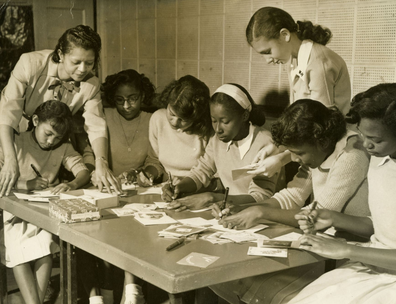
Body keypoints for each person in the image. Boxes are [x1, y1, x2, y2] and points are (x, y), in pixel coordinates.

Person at [208, 99, 370, 304]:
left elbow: (320, 214)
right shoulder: (319, 150)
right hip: (326, 243)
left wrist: (260, 212)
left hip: (354, 250)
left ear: (323, 140)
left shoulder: (351, 155)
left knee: (264, 283)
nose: (294, 159)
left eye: (299, 153)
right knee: (238, 277)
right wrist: (243, 208)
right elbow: (293, 195)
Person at [290, 83, 396, 304]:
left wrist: (346, 249)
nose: (366, 145)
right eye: (362, 134)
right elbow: (383, 228)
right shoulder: (379, 160)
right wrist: (334, 218)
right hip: (372, 265)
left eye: (376, 140)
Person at [0, 24, 122, 197]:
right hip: (13, 135)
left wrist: (101, 161)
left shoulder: (91, 84)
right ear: (60, 55)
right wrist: (10, 159)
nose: (82, 69)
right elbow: (8, 114)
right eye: (76, 62)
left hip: (51, 140)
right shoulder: (30, 63)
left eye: (89, 63)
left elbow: (96, 125)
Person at [0, 100, 90, 304]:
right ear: (35, 120)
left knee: (45, 244)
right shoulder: (14, 141)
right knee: (16, 247)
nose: (51, 141)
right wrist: (25, 184)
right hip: (12, 209)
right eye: (48, 133)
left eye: (57, 137)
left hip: (42, 211)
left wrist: (73, 184)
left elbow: (83, 171)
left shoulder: (63, 147)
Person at [245, 7, 351, 178]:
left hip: (334, 151)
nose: (267, 60)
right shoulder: (294, 60)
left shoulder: (317, 63)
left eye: (267, 51)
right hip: (314, 150)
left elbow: (320, 129)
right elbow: (299, 118)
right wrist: (276, 146)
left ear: (285, 35)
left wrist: (281, 159)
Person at [162, 83, 280, 211]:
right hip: (228, 211)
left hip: (261, 213)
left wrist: (213, 198)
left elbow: (262, 196)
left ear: (244, 116)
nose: (218, 129)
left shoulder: (265, 143)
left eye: (225, 122)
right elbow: (202, 171)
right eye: (214, 121)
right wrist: (180, 187)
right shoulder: (217, 140)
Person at [96, 69, 156, 304]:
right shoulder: (105, 116)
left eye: (133, 98)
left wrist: (144, 174)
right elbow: (93, 152)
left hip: (138, 192)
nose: (127, 105)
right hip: (105, 189)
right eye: (120, 100)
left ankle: (131, 289)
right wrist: (98, 172)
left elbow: (154, 161)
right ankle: (116, 291)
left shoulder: (152, 120)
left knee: (135, 228)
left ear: (143, 96)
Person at [141, 75, 214, 185]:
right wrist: (149, 174)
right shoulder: (157, 119)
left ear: (196, 116)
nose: (174, 122)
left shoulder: (208, 129)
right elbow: (154, 160)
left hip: (198, 189)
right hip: (165, 187)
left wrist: (186, 184)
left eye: (183, 119)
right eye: (172, 113)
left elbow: (213, 171)